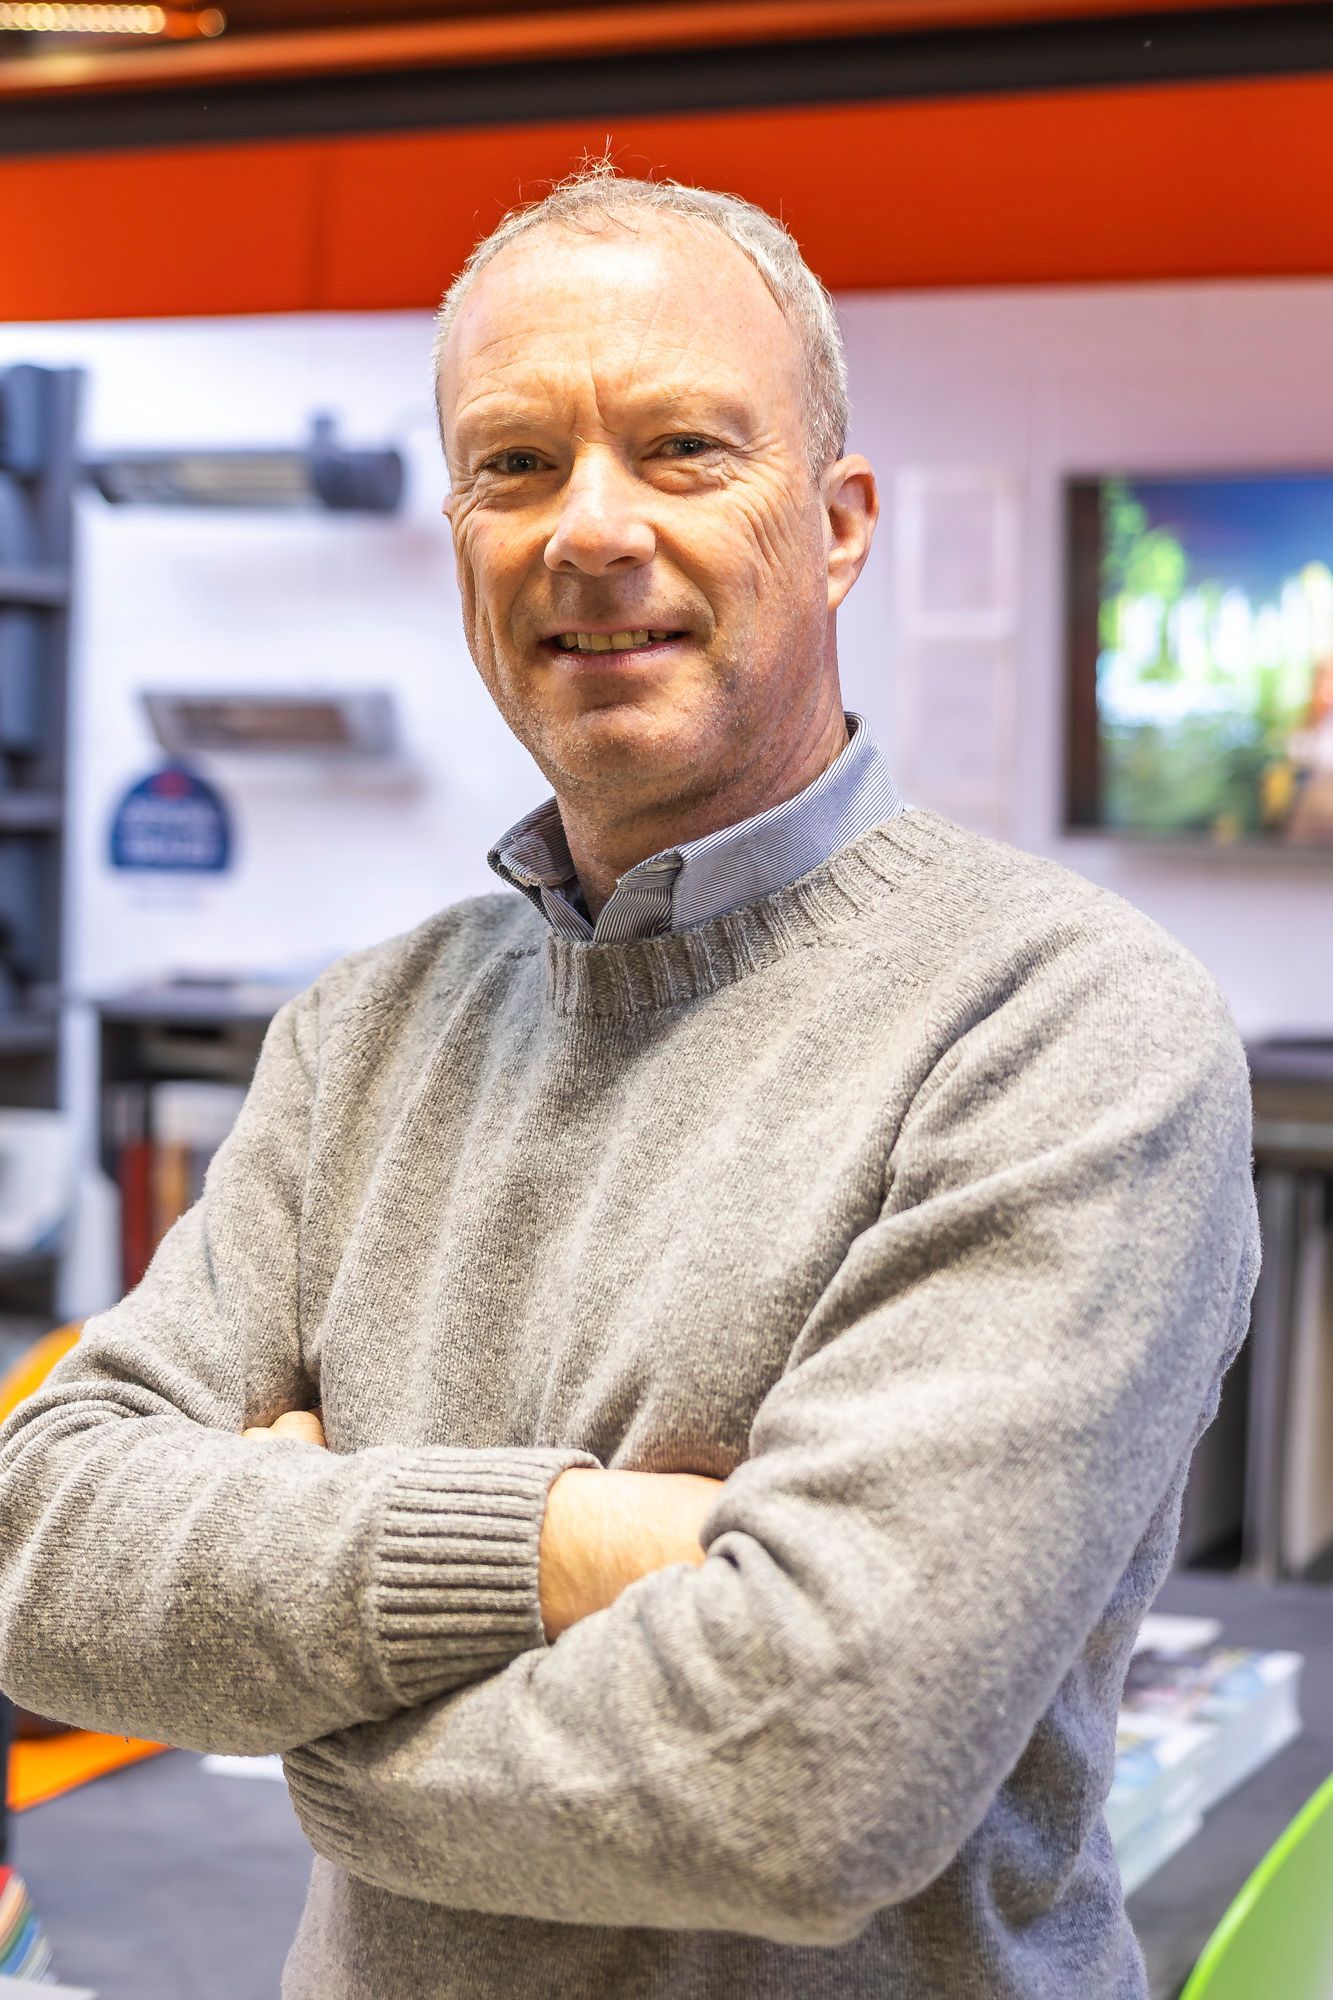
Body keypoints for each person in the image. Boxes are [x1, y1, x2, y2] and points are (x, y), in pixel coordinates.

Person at [0, 164, 1259, 2000]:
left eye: (681, 450)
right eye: (513, 465)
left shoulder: (1062, 1026)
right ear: (456, 534)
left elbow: (820, 1772)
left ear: (836, 527)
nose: (588, 529)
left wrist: (313, 1725)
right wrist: (578, 1541)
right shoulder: (362, 1035)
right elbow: (42, 1553)